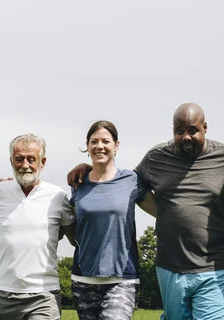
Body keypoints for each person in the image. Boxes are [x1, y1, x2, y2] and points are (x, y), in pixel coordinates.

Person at [68, 103, 224, 320]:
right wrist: (89, 167)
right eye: (179, 131)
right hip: (169, 265)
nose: (186, 136)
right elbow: (122, 182)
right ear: (172, 129)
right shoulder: (156, 157)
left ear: (205, 127)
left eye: (192, 130)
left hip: (216, 265)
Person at [70, 120, 157, 320]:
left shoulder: (131, 180)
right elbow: (73, 228)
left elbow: (162, 212)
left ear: (116, 145)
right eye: (94, 142)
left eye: (105, 141)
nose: (99, 146)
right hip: (83, 279)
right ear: (87, 146)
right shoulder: (78, 183)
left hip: (122, 278)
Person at [0, 133, 76, 320]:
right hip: (4, 293)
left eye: (31, 159)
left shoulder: (57, 196)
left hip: (44, 294)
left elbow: (77, 240)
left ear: (42, 162)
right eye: (19, 159)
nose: (25, 165)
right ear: (11, 161)